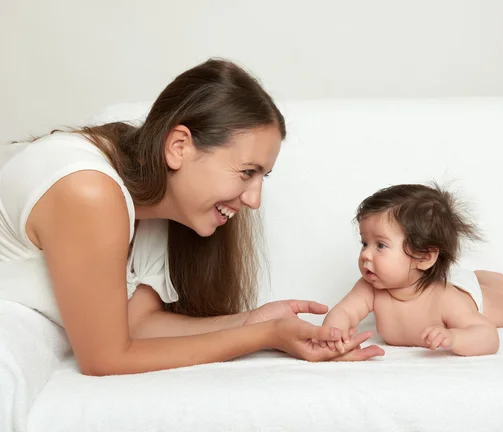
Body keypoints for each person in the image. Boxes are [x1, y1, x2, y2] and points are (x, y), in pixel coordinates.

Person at [0, 59, 384, 376]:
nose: (254, 199)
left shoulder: (149, 205)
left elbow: (136, 325)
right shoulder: (89, 191)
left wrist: (253, 321)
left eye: (262, 177)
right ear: (179, 146)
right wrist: (266, 338)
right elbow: (105, 358)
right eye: (247, 172)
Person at [322, 183, 503, 356]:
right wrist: (334, 333)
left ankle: (491, 280)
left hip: (465, 292)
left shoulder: (446, 299)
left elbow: (488, 335)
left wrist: (454, 338)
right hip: (433, 276)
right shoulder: (370, 287)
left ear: (424, 257)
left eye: (380, 245)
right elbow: (344, 312)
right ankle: (475, 275)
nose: (366, 254)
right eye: (364, 243)